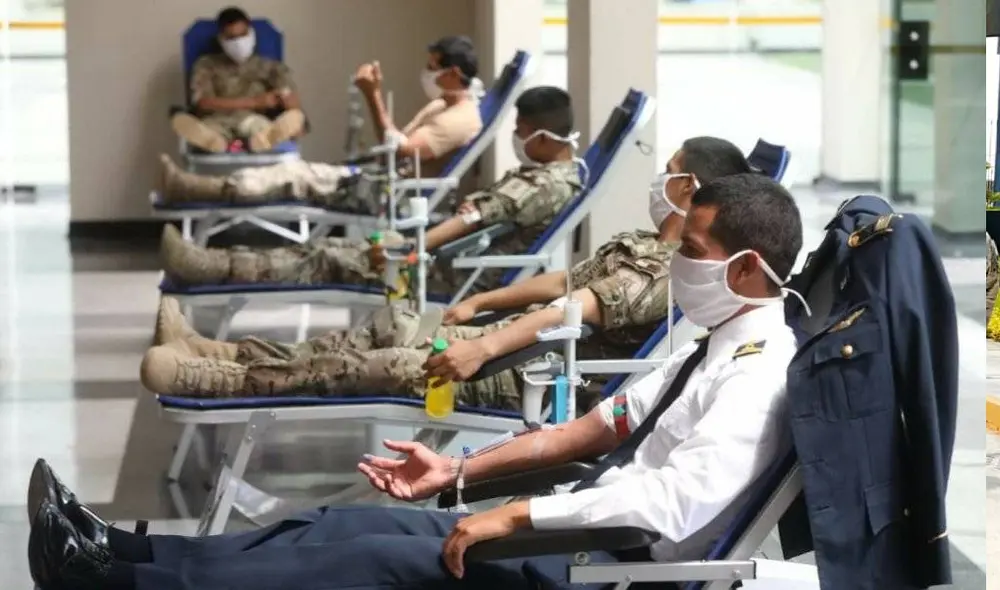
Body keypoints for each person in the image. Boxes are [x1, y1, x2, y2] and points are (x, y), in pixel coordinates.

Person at [27, 173, 804, 590]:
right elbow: (600, 428)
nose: (681, 260)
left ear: (745, 268)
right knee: (334, 526)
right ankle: (129, 561)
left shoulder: (758, 375)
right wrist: (459, 471)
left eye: (694, 247)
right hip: (572, 532)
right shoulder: (711, 345)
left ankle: (113, 586)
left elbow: (671, 505)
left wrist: (512, 519)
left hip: (604, 567)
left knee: (357, 563)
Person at [140, 137, 755, 411]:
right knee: (391, 324)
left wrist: (479, 344)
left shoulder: (673, 272)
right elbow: (566, 284)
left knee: (389, 364)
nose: (659, 178)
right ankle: (224, 352)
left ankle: (215, 381)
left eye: (668, 169)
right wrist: (478, 304)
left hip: (533, 378)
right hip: (514, 345)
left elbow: (578, 310)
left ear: (688, 187)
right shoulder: (644, 241)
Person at [160, 86, 583, 295]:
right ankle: (214, 262)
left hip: (447, 273)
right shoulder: (556, 173)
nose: (517, 138)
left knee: (324, 254)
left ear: (544, 135)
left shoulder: (543, 184)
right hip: (443, 260)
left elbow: (468, 219)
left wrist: (404, 249)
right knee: (325, 247)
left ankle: (212, 266)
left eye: (522, 132)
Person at [159, 35, 484, 209]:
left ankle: (193, 189)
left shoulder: (459, 119)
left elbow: (401, 151)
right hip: (375, 179)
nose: (427, 73)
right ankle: (199, 184)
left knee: (291, 174)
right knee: (291, 171)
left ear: (454, 74)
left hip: (383, 194)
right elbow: (397, 145)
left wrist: (372, 94)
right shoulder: (445, 103)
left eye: (432, 67)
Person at [171, 7, 307, 154]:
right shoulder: (206, 65)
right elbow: (202, 103)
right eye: (231, 38)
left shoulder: (270, 67)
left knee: (262, 128)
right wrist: (254, 102)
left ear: (252, 33)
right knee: (210, 131)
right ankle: (216, 143)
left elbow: (289, 95)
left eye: (243, 35)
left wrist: (293, 111)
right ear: (221, 39)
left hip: (253, 118)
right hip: (217, 119)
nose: (238, 43)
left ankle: (260, 141)